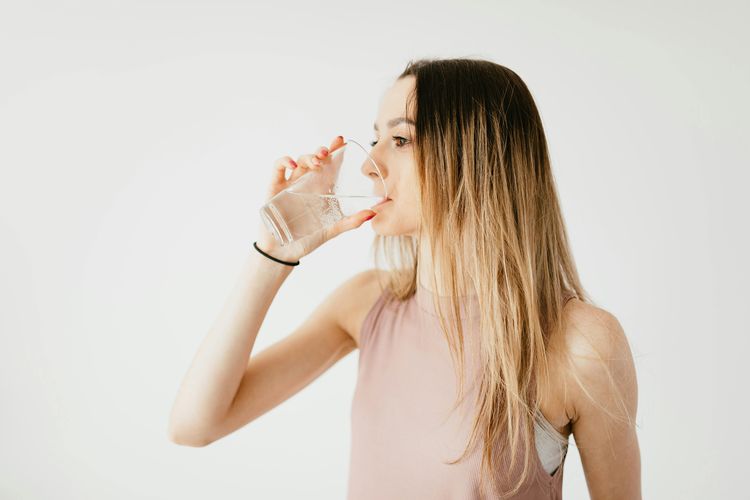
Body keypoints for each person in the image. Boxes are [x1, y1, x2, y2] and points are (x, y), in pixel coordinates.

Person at [168, 58, 642, 499]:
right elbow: (194, 425)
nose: (367, 165)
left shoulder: (582, 344)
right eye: (375, 138)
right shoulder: (366, 304)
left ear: (477, 154)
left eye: (400, 140)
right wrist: (273, 252)